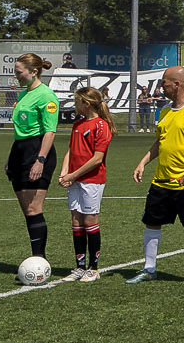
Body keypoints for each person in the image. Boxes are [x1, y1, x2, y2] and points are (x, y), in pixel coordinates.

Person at [128, 65, 184, 286]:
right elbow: (160, 143)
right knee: (151, 223)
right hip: (161, 180)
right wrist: (142, 163)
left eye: (164, 82)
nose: (161, 86)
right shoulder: (165, 111)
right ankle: (149, 269)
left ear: (177, 84)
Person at [7, 53, 61, 264]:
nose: (16, 76)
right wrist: (11, 158)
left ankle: (39, 260)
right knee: (26, 210)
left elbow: (50, 131)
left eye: (19, 72)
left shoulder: (46, 96)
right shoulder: (23, 95)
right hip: (19, 151)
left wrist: (40, 160)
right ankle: (36, 256)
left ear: (34, 71)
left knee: (33, 209)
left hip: (37, 151)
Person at [57, 85, 115, 283]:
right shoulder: (78, 123)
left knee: (90, 221)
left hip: (92, 180)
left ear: (87, 104)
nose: (75, 105)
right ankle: (80, 267)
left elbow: (97, 159)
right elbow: (71, 150)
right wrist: (64, 173)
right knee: (76, 221)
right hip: (75, 179)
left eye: (77, 101)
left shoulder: (101, 126)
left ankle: (93, 268)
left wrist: (72, 175)